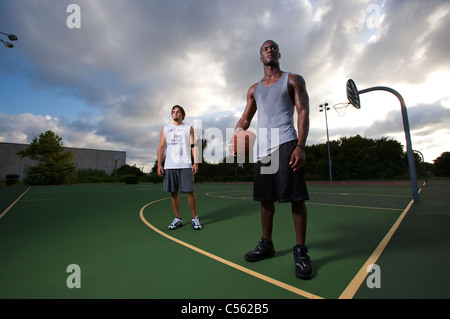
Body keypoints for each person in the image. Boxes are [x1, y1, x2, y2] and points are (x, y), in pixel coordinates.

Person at [232, 40, 312, 279]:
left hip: (287, 143)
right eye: (265, 48)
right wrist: (235, 137)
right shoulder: (253, 89)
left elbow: (303, 111)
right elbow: (245, 119)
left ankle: (300, 251)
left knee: (296, 199)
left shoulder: (293, 79)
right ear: (260, 58)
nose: (269, 50)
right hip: (262, 151)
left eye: (273, 47)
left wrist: (300, 145)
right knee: (266, 200)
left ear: (279, 53)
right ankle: (267, 244)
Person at [157, 105, 202, 230]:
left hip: (185, 164)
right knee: (173, 193)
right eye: (173, 112)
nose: (175, 114)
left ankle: (194, 218)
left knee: (190, 191)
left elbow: (194, 146)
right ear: (172, 115)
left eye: (178, 112)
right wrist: (159, 164)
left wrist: (196, 162)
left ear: (182, 114)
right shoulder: (165, 129)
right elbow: (161, 147)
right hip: (170, 165)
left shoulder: (188, 128)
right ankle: (177, 219)